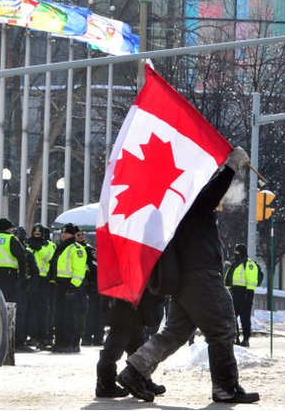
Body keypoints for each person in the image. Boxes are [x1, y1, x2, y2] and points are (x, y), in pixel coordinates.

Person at [116, 146, 261, 404]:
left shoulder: (180, 206)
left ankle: (135, 370)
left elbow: (210, 197)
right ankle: (226, 389)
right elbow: (210, 194)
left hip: (186, 279)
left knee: (175, 333)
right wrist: (230, 167)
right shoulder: (191, 202)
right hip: (201, 276)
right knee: (223, 328)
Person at [95, 289, 167, 398]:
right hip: (123, 309)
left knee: (138, 350)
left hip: (135, 309)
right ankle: (106, 385)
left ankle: (141, 380)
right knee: (113, 351)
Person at [0, 217, 33, 352]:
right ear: (8, 228)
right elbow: (22, 257)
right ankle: (17, 342)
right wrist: (22, 278)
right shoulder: (11, 239)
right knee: (16, 310)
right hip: (10, 280)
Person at [49, 223, 88, 353]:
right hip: (60, 285)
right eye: (62, 232)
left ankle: (70, 343)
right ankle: (60, 342)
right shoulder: (61, 248)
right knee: (59, 316)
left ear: (72, 234)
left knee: (70, 316)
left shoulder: (76, 248)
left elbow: (79, 270)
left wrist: (72, 286)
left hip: (70, 286)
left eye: (66, 233)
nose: (63, 235)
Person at [225, 243, 263, 347]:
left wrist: (249, 294)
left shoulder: (249, 264)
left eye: (238, 253)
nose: (236, 255)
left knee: (244, 318)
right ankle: (235, 337)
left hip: (245, 294)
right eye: (235, 253)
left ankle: (246, 339)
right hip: (234, 294)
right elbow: (228, 280)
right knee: (231, 317)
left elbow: (251, 281)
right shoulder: (234, 265)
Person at [26, 224, 56, 349]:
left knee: (43, 310)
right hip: (31, 279)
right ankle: (33, 336)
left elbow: (51, 257)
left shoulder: (49, 244)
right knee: (30, 309)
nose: (36, 236)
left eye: (39, 234)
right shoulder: (28, 244)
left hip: (44, 280)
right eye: (35, 234)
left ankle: (44, 337)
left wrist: (39, 248)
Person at [80, 230, 105, 346]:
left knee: (99, 315)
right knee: (89, 314)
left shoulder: (92, 252)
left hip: (100, 289)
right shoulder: (90, 254)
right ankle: (87, 337)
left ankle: (98, 337)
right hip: (90, 288)